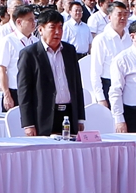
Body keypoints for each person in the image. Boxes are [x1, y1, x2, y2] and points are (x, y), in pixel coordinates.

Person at [14, 8, 84, 137]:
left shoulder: (69, 51)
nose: (57, 32)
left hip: (68, 115)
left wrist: (79, 117)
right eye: (52, 28)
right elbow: (24, 91)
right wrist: (28, 124)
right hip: (43, 117)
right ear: (40, 29)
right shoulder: (30, 54)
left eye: (60, 27)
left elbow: (77, 86)